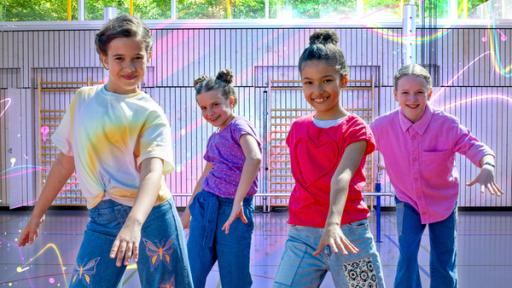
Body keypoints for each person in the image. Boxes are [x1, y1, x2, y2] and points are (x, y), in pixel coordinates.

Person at [18, 14, 193, 288]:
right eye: (119, 58)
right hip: (103, 216)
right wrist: (36, 215)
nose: (129, 66)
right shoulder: (84, 100)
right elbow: (65, 163)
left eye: (137, 57)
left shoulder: (151, 113)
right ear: (104, 58)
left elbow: (152, 172)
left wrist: (134, 223)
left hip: (151, 216)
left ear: (148, 56)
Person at [371, 63, 503, 288]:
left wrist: (487, 165)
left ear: (429, 93)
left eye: (419, 92)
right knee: (408, 255)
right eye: (405, 92)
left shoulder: (447, 125)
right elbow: (354, 147)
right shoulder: (381, 127)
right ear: (395, 94)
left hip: (443, 201)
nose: (412, 98)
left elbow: (475, 147)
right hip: (407, 200)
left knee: (443, 258)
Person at [273, 30, 385, 288]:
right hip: (303, 235)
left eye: (326, 80)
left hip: (348, 233)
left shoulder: (355, 128)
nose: (317, 90)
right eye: (308, 82)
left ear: (343, 80)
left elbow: (342, 176)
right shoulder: (298, 128)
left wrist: (332, 222)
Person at [181, 69, 262, 288]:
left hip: (233, 210)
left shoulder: (239, 127)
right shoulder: (214, 136)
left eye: (215, 104)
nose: (209, 112)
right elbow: (205, 175)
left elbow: (254, 158)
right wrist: (188, 212)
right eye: (203, 108)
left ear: (231, 101)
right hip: (206, 205)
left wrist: (238, 202)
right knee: (192, 269)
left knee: (234, 275)